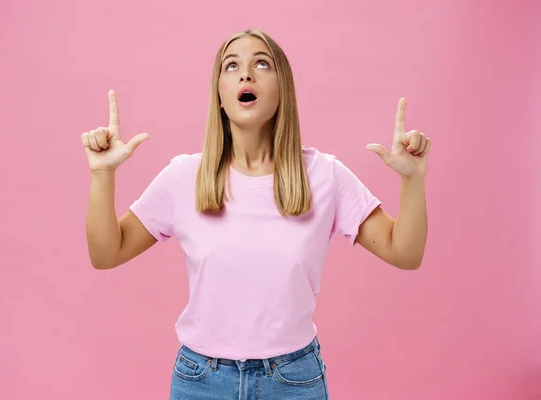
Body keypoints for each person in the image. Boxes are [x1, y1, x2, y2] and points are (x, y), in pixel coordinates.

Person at [82, 29, 431, 400]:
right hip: (201, 381)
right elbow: (106, 254)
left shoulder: (325, 175)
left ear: (283, 89)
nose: (245, 74)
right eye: (231, 66)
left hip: (294, 381)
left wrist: (412, 180)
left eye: (261, 64)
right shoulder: (184, 176)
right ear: (219, 96)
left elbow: (405, 253)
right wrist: (102, 174)